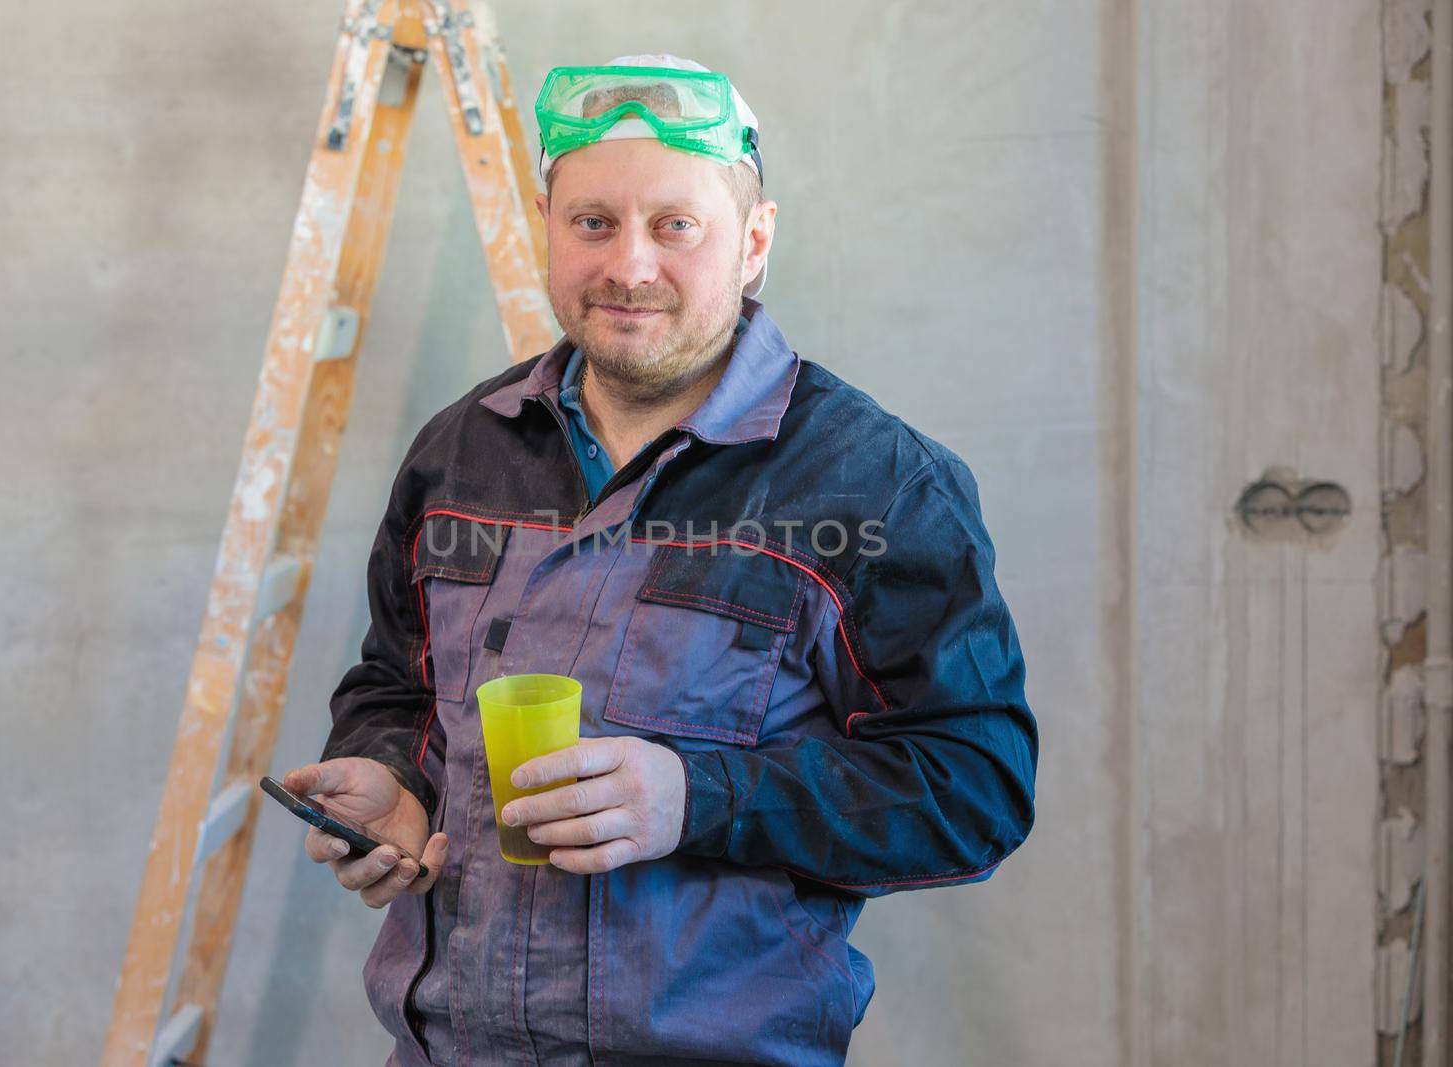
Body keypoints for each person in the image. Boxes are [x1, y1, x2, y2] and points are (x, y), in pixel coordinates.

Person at [281, 55, 1038, 1066]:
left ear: (754, 242)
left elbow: (972, 786)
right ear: (547, 222)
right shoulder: (462, 453)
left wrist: (698, 796)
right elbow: (395, 683)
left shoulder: (874, 486)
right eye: (592, 222)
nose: (628, 265)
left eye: (675, 226)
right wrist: (392, 777)